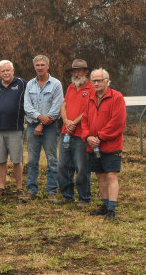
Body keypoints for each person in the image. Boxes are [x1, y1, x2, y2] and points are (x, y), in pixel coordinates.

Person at [81, 68, 126, 221]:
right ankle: (105, 205)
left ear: (107, 80)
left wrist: (99, 137)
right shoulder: (90, 97)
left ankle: (112, 209)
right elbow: (85, 120)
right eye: (94, 80)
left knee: (111, 175)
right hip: (92, 145)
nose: (96, 83)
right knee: (100, 175)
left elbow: (118, 123)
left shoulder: (117, 97)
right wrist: (87, 136)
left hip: (111, 146)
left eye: (99, 80)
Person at [24, 54, 64, 201]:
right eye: (37, 65)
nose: (40, 68)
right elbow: (27, 106)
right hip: (32, 128)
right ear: (34, 67)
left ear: (47, 66)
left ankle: (51, 191)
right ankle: (31, 191)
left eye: (42, 65)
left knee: (52, 160)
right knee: (32, 160)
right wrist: (39, 118)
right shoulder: (30, 84)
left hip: (50, 128)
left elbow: (56, 108)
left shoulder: (56, 85)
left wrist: (41, 124)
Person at [57, 59, 93, 206]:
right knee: (63, 166)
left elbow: (88, 111)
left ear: (86, 72)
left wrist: (74, 122)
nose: (76, 73)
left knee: (81, 167)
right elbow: (63, 106)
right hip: (66, 133)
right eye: (74, 71)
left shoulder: (92, 88)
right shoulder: (71, 87)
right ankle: (67, 196)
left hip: (81, 135)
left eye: (79, 70)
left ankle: (84, 198)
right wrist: (66, 121)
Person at [0, 60, 27, 199]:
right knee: (1, 160)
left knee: (16, 160)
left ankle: (19, 188)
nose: (6, 73)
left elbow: (28, 102)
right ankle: (1, 187)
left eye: (8, 70)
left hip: (15, 128)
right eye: (3, 71)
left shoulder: (22, 84)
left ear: (13, 70)